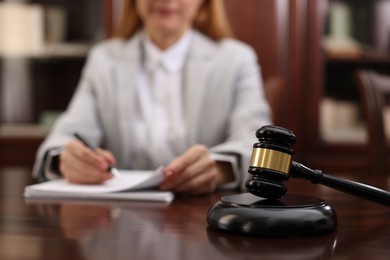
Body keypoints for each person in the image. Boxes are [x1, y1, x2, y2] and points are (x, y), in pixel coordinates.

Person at [33, 0, 271, 195]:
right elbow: (68, 133)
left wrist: (219, 169)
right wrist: (66, 159)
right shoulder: (104, 59)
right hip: (120, 218)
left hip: (203, 217)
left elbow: (256, 139)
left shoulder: (237, 59)